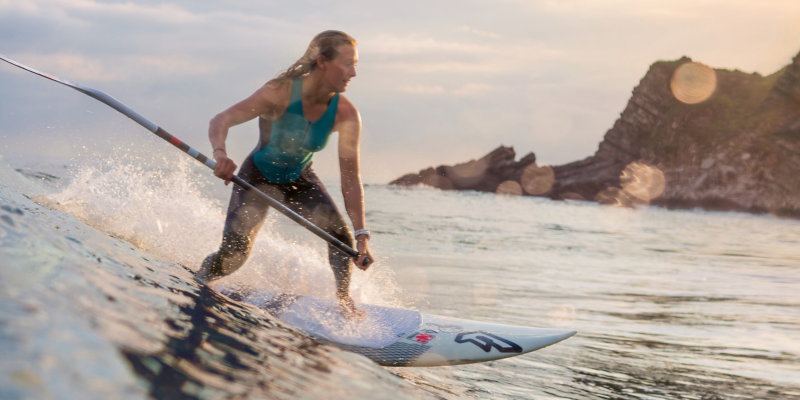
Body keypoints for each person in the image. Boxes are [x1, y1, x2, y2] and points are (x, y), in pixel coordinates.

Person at [194, 30, 373, 319]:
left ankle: (344, 303)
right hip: (257, 178)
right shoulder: (279, 92)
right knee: (233, 257)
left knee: (341, 238)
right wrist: (220, 154)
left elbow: (351, 180)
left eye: (355, 65)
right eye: (347, 64)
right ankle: (198, 280)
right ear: (323, 62)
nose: (353, 72)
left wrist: (362, 235)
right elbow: (222, 119)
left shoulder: (346, 115)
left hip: (299, 179)